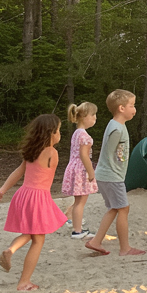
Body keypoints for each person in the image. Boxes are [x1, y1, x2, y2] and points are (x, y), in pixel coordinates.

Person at [0, 113, 70, 291]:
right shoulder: (52, 153)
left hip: (23, 195)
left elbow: (18, 172)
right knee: (38, 239)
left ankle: (11, 249)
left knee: (30, 232)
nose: (60, 134)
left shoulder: (31, 151)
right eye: (58, 130)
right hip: (38, 197)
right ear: (51, 133)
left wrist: (2, 189)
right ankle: (24, 281)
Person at [85, 89, 145, 257]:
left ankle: (96, 241)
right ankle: (125, 248)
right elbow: (108, 154)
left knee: (114, 208)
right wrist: (116, 175)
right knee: (123, 209)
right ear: (121, 108)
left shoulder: (117, 125)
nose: (134, 109)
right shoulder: (116, 129)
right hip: (111, 176)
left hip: (108, 176)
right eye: (132, 105)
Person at [61, 101, 99, 239]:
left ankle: (73, 222)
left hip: (74, 167)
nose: (95, 118)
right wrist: (91, 171)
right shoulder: (85, 136)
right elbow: (84, 155)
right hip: (81, 170)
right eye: (93, 115)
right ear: (83, 117)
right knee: (81, 202)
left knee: (78, 201)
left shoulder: (77, 133)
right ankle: (78, 231)